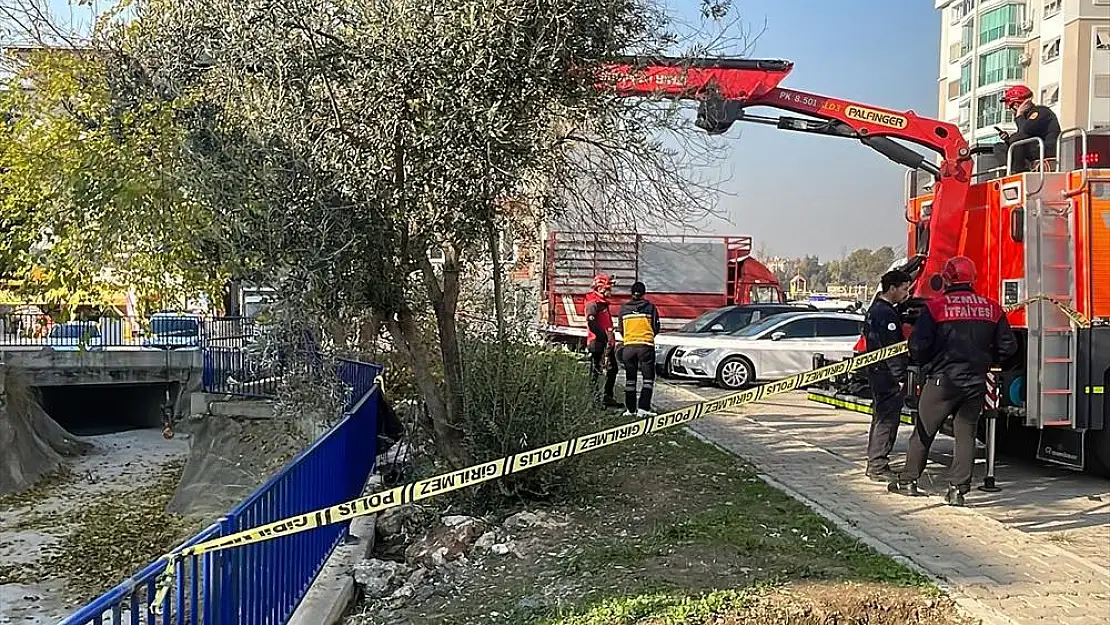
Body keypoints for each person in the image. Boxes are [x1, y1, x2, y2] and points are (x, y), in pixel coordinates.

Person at [888, 256, 1018, 506]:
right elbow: (1008, 346)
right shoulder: (991, 308)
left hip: (942, 382)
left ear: (946, 279)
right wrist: (987, 359)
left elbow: (917, 346)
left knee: (924, 431)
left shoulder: (936, 308)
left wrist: (927, 362)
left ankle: (908, 481)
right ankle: (958, 490)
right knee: (966, 435)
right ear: (972, 279)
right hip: (975, 382)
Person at [863, 269, 914, 482]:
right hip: (887, 376)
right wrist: (900, 375)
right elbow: (892, 348)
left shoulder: (876, 309)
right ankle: (878, 465)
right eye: (904, 289)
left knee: (880, 418)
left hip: (877, 372)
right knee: (886, 420)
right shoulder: (885, 314)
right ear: (892, 288)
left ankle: (874, 462)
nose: (907, 294)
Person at [991, 85, 1061, 174]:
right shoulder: (1027, 117)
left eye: (1010, 108)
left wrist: (1019, 115)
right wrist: (1007, 139)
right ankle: (1010, 169)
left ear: (1016, 105)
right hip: (1034, 146)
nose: (1011, 111)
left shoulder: (1041, 112)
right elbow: (1024, 134)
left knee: (1016, 139)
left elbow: (1025, 131)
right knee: (999, 147)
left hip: (1045, 149)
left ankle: (1018, 170)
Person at [618, 281, 660, 417]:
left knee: (630, 379)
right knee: (648, 379)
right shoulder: (650, 307)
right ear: (644, 293)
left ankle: (630, 409)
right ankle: (643, 408)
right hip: (645, 346)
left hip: (628, 347)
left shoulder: (624, 308)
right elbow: (656, 326)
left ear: (631, 293)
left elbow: (621, 329)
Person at [585, 273, 621, 408]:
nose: (610, 291)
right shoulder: (593, 303)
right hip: (598, 343)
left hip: (606, 343)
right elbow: (592, 324)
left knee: (612, 369)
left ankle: (607, 397)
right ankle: (594, 401)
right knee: (596, 373)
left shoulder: (603, 304)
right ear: (601, 288)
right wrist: (605, 339)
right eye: (608, 288)